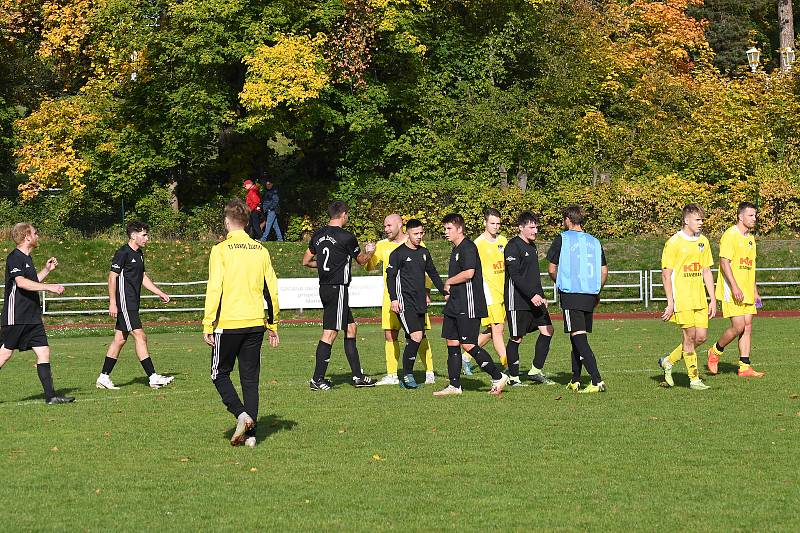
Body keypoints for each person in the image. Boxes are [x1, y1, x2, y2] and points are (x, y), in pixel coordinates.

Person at [202, 198, 280, 447]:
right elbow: (272, 290)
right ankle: (252, 435)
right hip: (255, 322)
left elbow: (215, 288)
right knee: (250, 379)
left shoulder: (221, 250)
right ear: (247, 223)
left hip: (229, 322)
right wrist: (273, 323)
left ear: (227, 222)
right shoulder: (261, 250)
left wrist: (208, 323)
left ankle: (241, 414)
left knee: (218, 373)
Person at [302, 201, 376, 390]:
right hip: (337, 288)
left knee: (351, 328)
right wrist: (370, 252)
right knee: (330, 332)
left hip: (325, 287)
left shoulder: (317, 235)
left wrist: (322, 266)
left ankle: (358, 376)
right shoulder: (346, 236)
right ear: (343, 214)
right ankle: (317, 379)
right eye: (347, 215)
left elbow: (306, 261)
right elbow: (361, 261)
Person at [433, 213, 509, 397]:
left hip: (469, 304)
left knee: (467, 344)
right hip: (455, 303)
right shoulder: (456, 248)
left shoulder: (468, 247)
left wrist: (449, 281)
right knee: (452, 342)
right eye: (445, 229)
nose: (446, 232)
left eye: (449, 228)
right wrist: (451, 292)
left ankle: (498, 376)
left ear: (460, 229)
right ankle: (454, 386)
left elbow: (469, 273)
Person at [95, 221, 174, 390]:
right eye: (144, 234)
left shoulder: (139, 254)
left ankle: (103, 377)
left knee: (120, 339)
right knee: (140, 336)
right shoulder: (123, 252)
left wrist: (159, 292)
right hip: (125, 302)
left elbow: (143, 277)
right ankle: (153, 377)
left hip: (132, 302)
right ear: (133, 235)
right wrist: (113, 303)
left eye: (147, 234)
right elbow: (112, 277)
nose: (147, 238)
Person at [0, 223, 73, 404]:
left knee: (43, 352)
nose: (37, 235)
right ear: (27, 237)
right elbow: (22, 283)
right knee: (5, 354)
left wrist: (47, 271)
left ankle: (51, 397)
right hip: (16, 315)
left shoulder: (27, 258)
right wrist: (50, 288)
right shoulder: (14, 258)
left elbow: (32, 282)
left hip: (32, 316)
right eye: (35, 233)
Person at [365, 214, 436, 386]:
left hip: (414, 299)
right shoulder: (382, 245)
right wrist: (369, 253)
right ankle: (392, 374)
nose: (386, 229)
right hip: (391, 299)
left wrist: (427, 292)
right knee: (390, 334)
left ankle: (429, 372)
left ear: (400, 225)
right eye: (385, 226)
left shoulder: (417, 242)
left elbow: (426, 272)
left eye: (389, 225)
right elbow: (369, 266)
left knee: (419, 334)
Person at [547, 205, 608, 394]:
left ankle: (597, 380)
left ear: (567, 219)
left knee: (578, 337)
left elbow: (551, 268)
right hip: (590, 294)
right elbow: (604, 271)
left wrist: (561, 282)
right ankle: (575, 379)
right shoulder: (594, 241)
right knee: (576, 336)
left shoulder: (563, 238)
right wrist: (597, 291)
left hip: (571, 293)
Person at [658, 204, 715, 391]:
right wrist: (670, 302)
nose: (701, 223)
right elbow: (666, 274)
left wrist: (712, 299)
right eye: (698, 220)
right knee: (690, 337)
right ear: (686, 220)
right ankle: (694, 379)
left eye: (702, 220)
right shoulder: (673, 242)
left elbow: (707, 271)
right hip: (682, 299)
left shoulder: (703, 242)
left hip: (699, 298)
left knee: (701, 337)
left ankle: (668, 361)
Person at [385, 219, 447, 389]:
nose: (419, 237)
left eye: (421, 233)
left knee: (416, 339)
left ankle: (406, 374)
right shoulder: (398, 254)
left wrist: (445, 292)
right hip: (405, 303)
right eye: (416, 234)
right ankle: (407, 375)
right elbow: (390, 278)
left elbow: (433, 274)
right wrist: (394, 298)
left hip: (420, 303)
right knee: (416, 336)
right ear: (408, 233)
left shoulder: (424, 253)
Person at [708, 202, 764, 378]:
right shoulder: (730, 235)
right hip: (732, 289)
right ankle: (715, 351)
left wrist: (754, 291)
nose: (754, 219)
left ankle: (744, 367)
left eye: (755, 215)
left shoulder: (750, 238)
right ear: (740, 216)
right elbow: (724, 263)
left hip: (746, 289)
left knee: (747, 326)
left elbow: (751, 267)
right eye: (751, 215)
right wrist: (734, 286)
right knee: (738, 326)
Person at [505, 211, 555, 386]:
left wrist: (541, 295)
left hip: (534, 299)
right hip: (518, 301)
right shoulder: (512, 246)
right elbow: (515, 276)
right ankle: (513, 377)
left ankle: (535, 370)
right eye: (531, 227)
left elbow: (533, 276)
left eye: (536, 226)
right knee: (517, 338)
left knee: (548, 330)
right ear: (521, 227)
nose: (535, 230)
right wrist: (531, 295)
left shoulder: (532, 247)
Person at [462, 208, 508, 375]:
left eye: (498, 223)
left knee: (491, 332)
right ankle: (509, 367)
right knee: (498, 331)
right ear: (485, 223)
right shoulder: (478, 244)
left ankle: (466, 356)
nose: (495, 226)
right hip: (489, 294)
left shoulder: (504, 241)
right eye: (492, 223)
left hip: (503, 292)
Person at [259, 178, 283, 242]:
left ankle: (263, 239)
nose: (267, 185)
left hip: (272, 210)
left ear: (272, 184)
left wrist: (270, 208)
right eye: (267, 184)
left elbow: (276, 201)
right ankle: (280, 239)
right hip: (270, 210)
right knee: (275, 226)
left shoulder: (274, 192)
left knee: (268, 225)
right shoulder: (268, 191)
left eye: (269, 184)